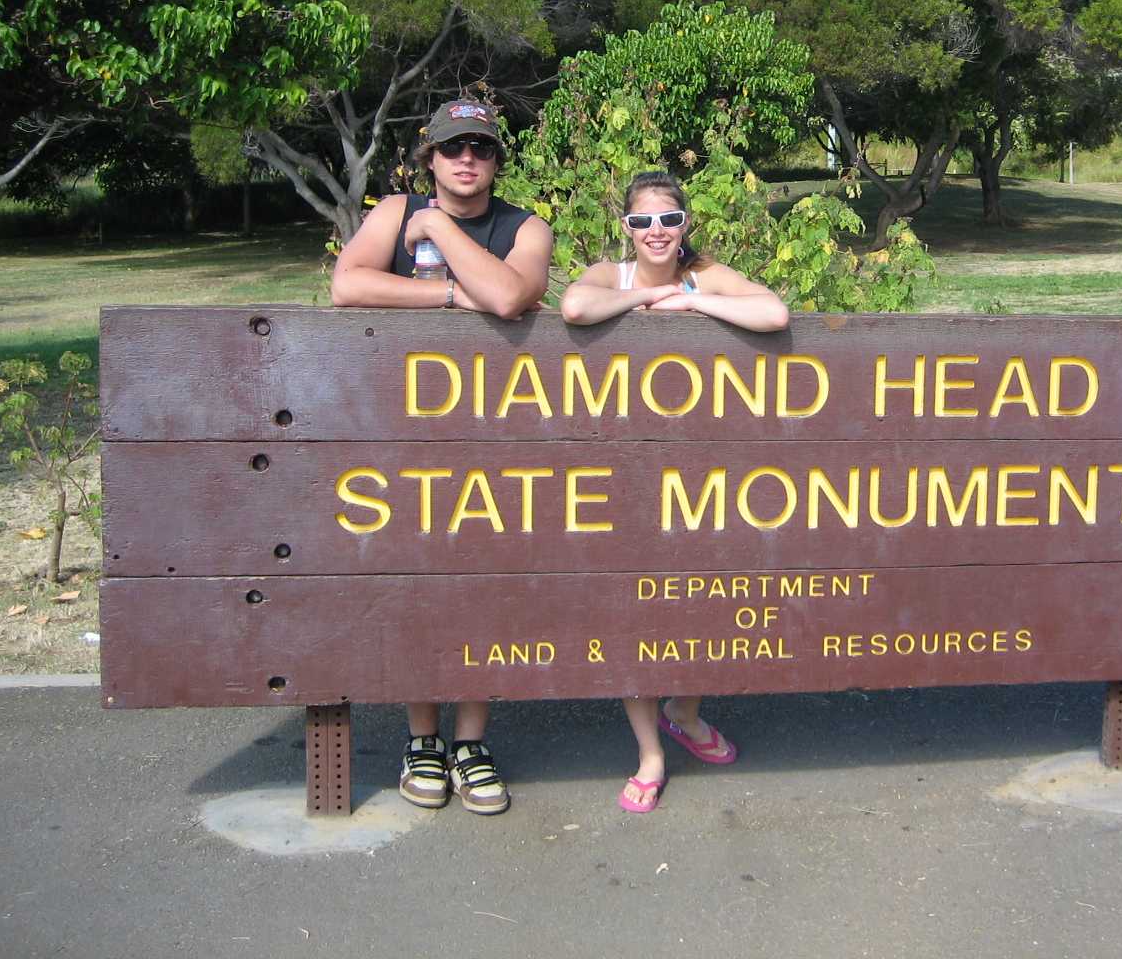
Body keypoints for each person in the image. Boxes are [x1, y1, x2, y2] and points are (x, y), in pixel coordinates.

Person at [331, 97, 552, 816]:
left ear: (496, 161)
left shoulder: (524, 227)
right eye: (453, 148)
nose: (467, 160)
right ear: (429, 157)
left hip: (494, 439)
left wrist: (437, 231)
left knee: (482, 587)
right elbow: (349, 284)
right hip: (399, 436)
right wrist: (450, 295)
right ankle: (422, 738)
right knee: (415, 585)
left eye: (481, 149)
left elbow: (512, 295)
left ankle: (471, 742)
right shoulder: (392, 213)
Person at [560, 170, 789, 813]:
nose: (655, 232)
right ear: (625, 228)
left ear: (685, 224)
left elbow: (773, 313)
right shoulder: (612, 275)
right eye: (641, 222)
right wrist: (642, 301)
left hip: (700, 468)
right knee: (632, 615)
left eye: (667, 219)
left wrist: (692, 303)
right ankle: (650, 754)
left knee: (704, 606)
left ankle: (684, 712)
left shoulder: (705, 275)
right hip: (627, 467)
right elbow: (575, 308)